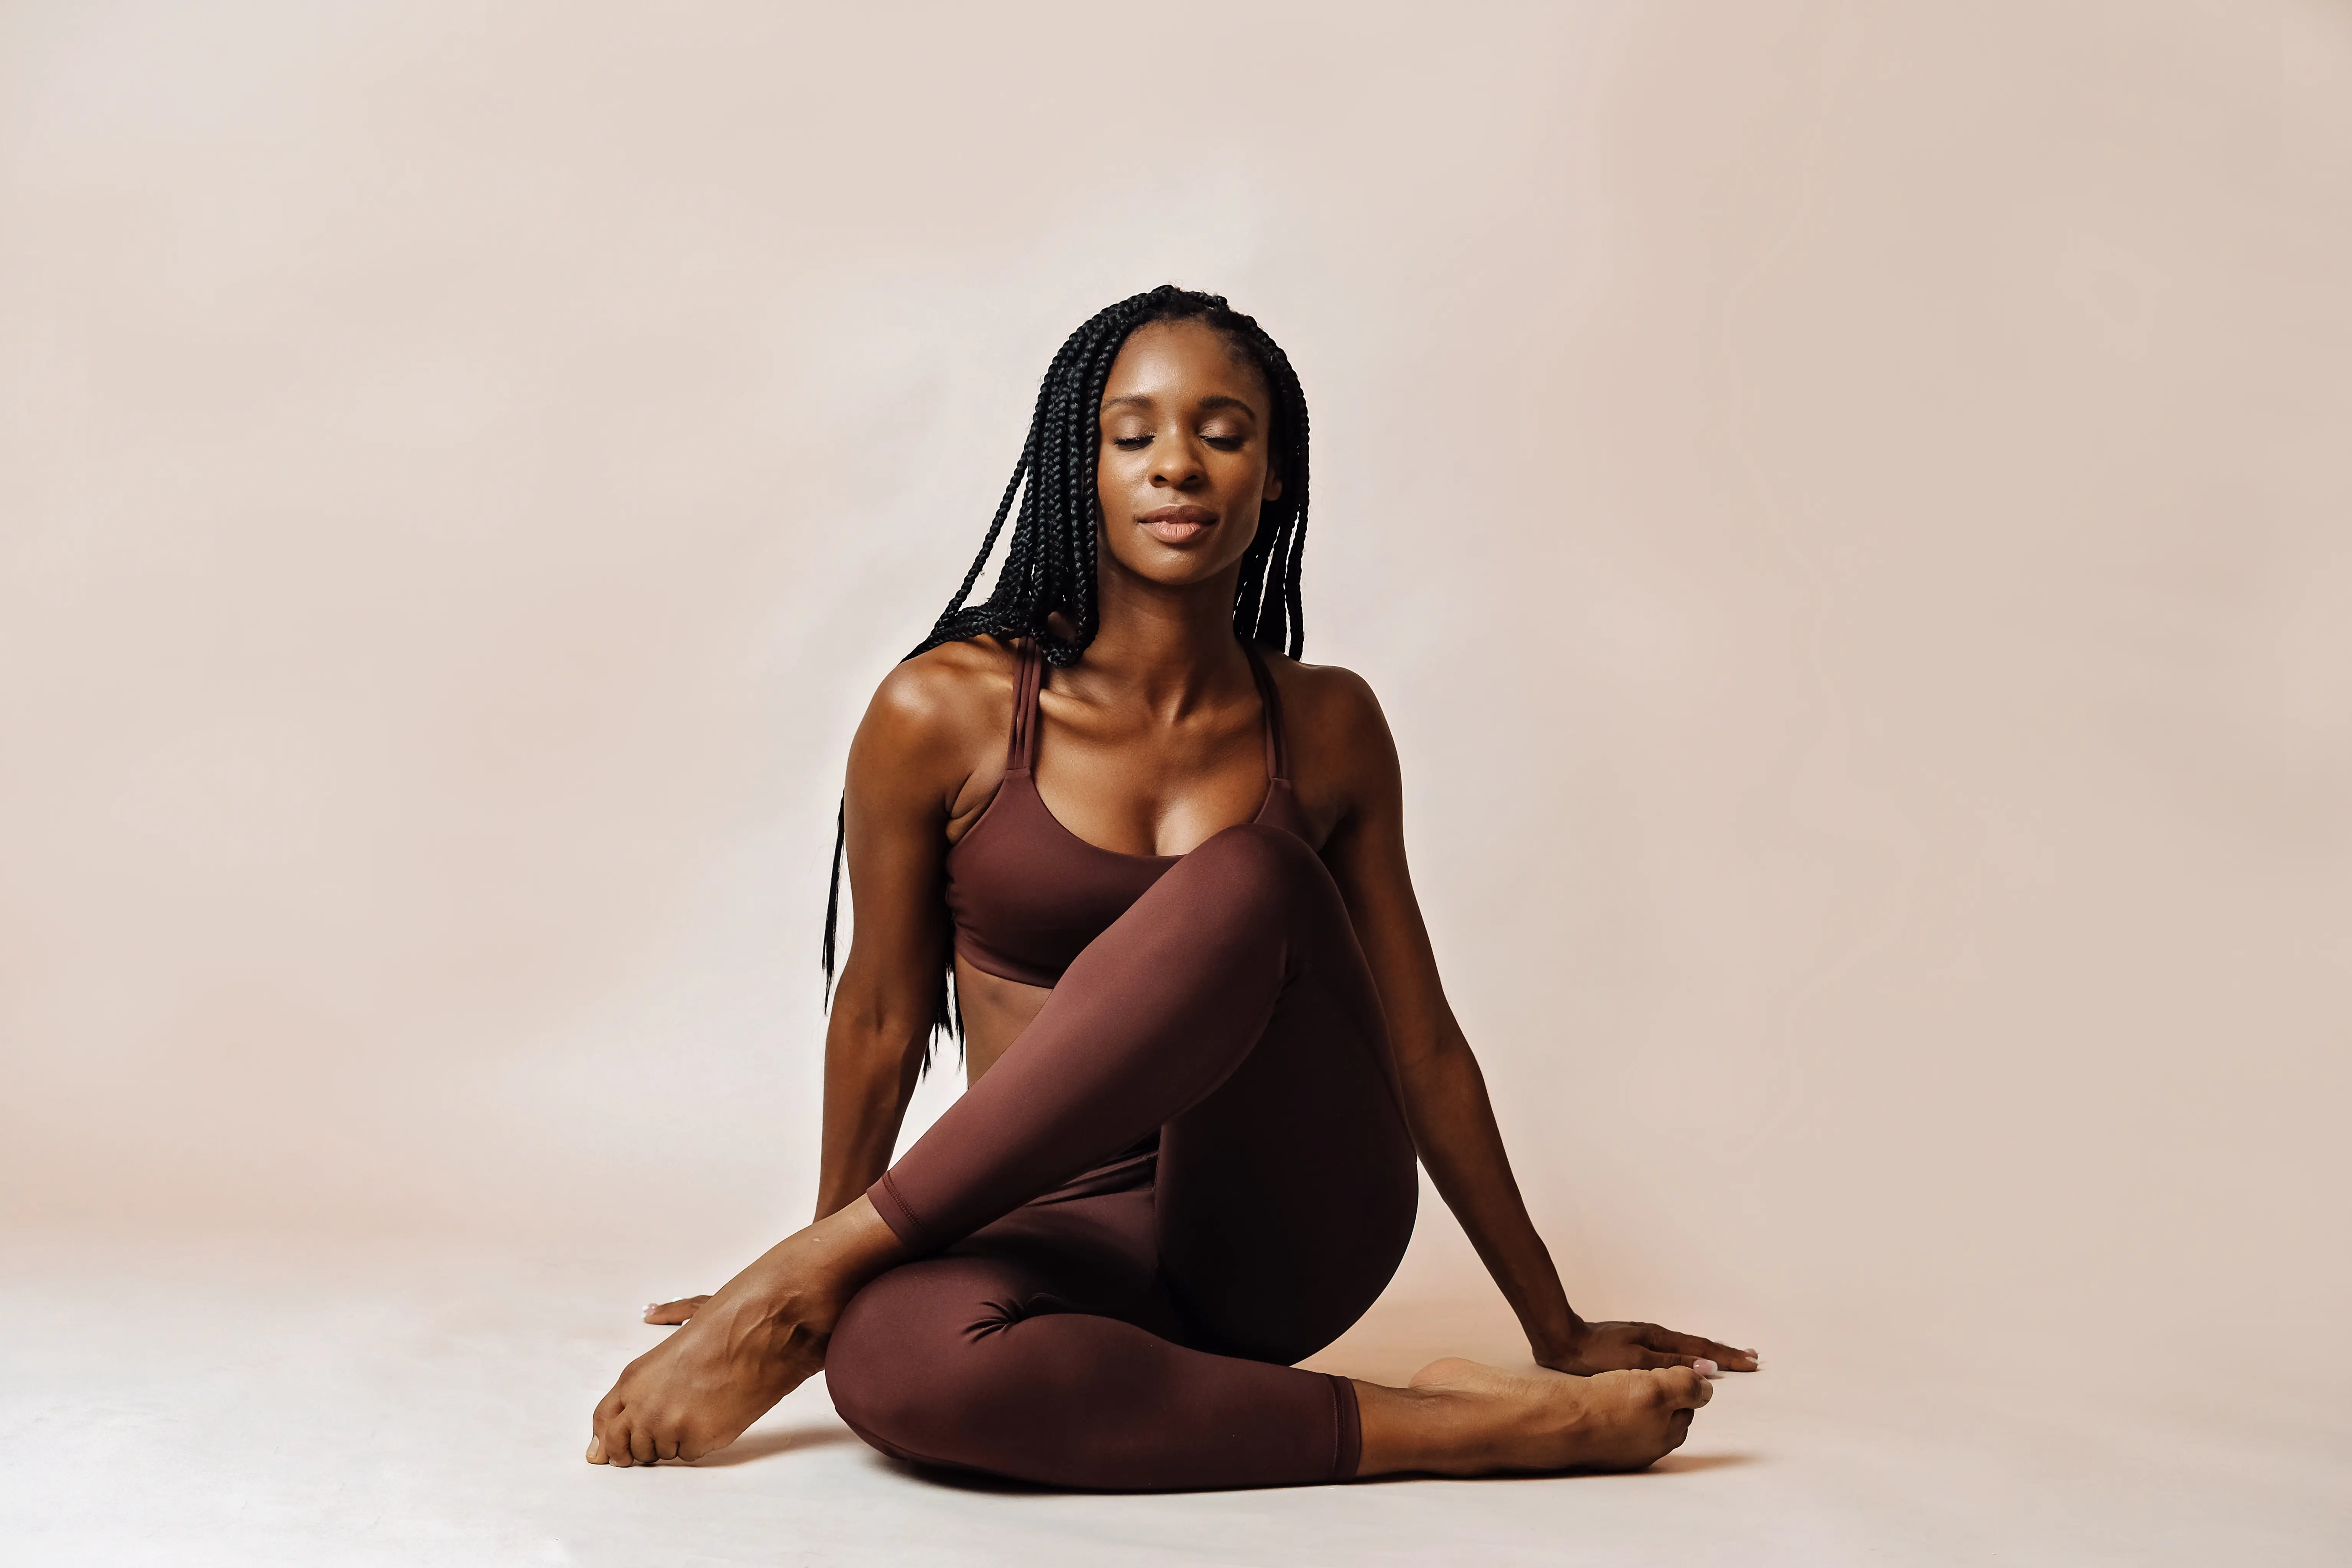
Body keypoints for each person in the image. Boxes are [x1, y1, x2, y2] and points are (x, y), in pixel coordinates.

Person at [586, 285, 1757, 1489]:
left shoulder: (1330, 725)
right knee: (894, 1367)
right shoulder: (943, 711)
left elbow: (1420, 1044)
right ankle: (1461, 1424)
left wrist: (1554, 1324)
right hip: (1047, 1221)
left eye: (1223, 433)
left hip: (1285, 1225)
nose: (1178, 465)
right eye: (1133, 435)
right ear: (1078, 469)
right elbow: (883, 1015)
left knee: (1248, 876)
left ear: (1276, 475)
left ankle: (1507, 1408)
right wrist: (824, 1277)